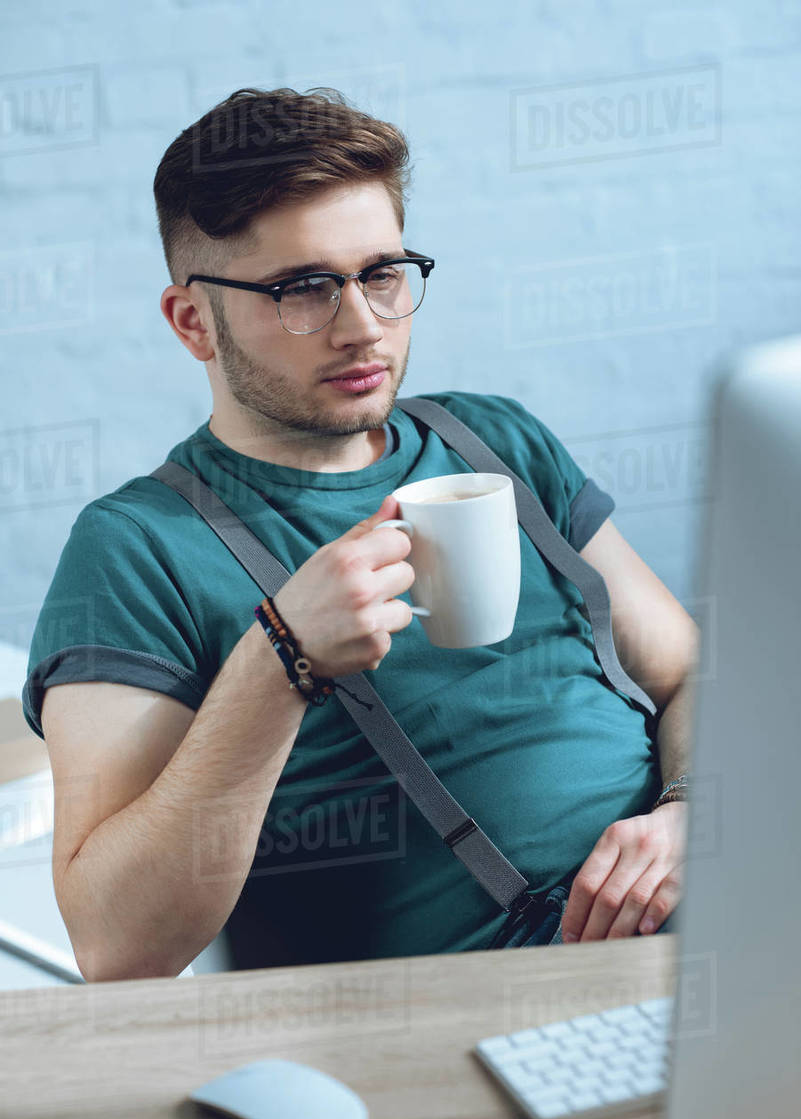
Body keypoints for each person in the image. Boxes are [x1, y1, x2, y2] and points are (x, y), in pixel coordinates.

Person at [22, 87, 698, 981]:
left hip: (717, 904)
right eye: (302, 288)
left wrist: (694, 808)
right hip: (495, 1000)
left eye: (382, 274)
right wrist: (280, 656)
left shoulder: (493, 439)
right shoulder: (135, 550)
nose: (362, 326)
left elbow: (690, 670)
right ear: (194, 323)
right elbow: (118, 947)